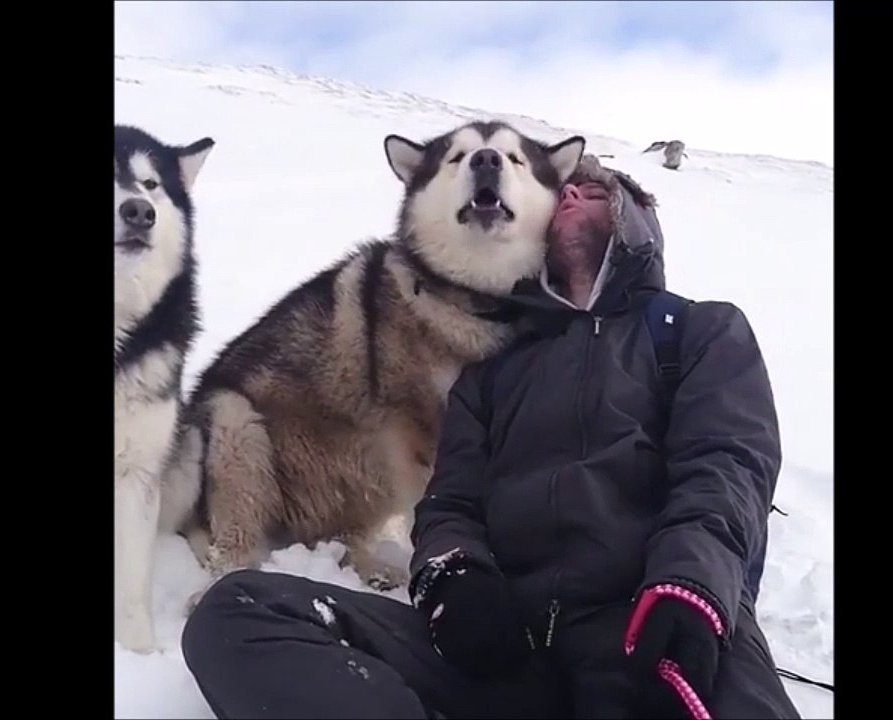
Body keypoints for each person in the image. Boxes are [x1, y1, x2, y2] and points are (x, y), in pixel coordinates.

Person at [180, 155, 801, 720]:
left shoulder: (695, 332)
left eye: (591, 189)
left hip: (659, 628)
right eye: (559, 192)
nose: (568, 197)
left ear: (635, 219)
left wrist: (689, 587)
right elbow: (450, 500)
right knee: (241, 613)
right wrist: (454, 578)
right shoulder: (494, 369)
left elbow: (726, 467)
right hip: (507, 642)